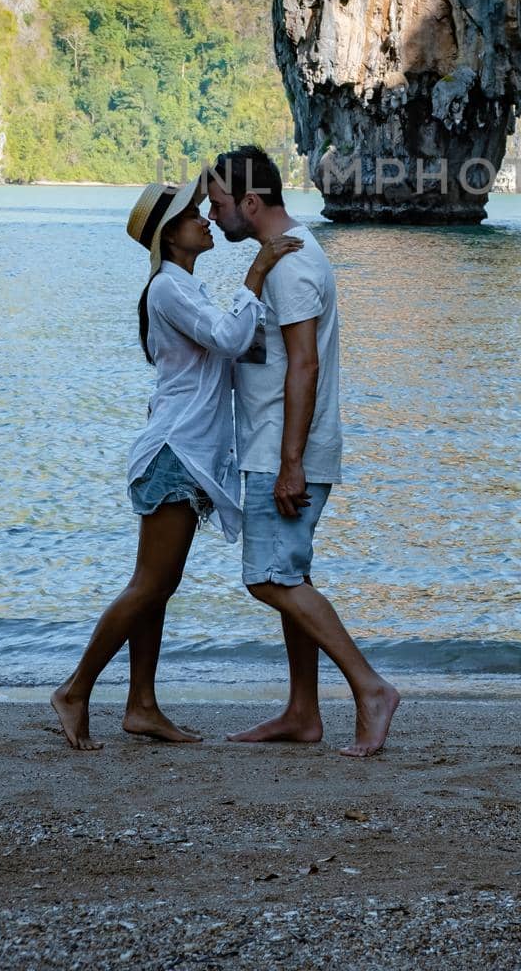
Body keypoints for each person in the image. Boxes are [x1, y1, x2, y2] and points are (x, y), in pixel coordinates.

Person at [50, 172, 302, 750]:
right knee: (150, 584)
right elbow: (231, 340)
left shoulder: (183, 287)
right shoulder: (168, 289)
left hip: (185, 451)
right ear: (171, 237)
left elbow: (230, 349)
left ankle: (141, 706)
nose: (206, 219)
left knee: (158, 587)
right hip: (175, 453)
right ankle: (75, 689)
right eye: (194, 216)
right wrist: (258, 272)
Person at [206, 145, 400, 757]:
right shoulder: (284, 257)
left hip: (281, 450)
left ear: (252, 203)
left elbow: (304, 365)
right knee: (292, 573)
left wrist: (290, 462)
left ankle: (370, 689)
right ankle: (302, 711)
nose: (212, 217)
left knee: (269, 579)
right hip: (273, 444)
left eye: (218, 204)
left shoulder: (292, 267)